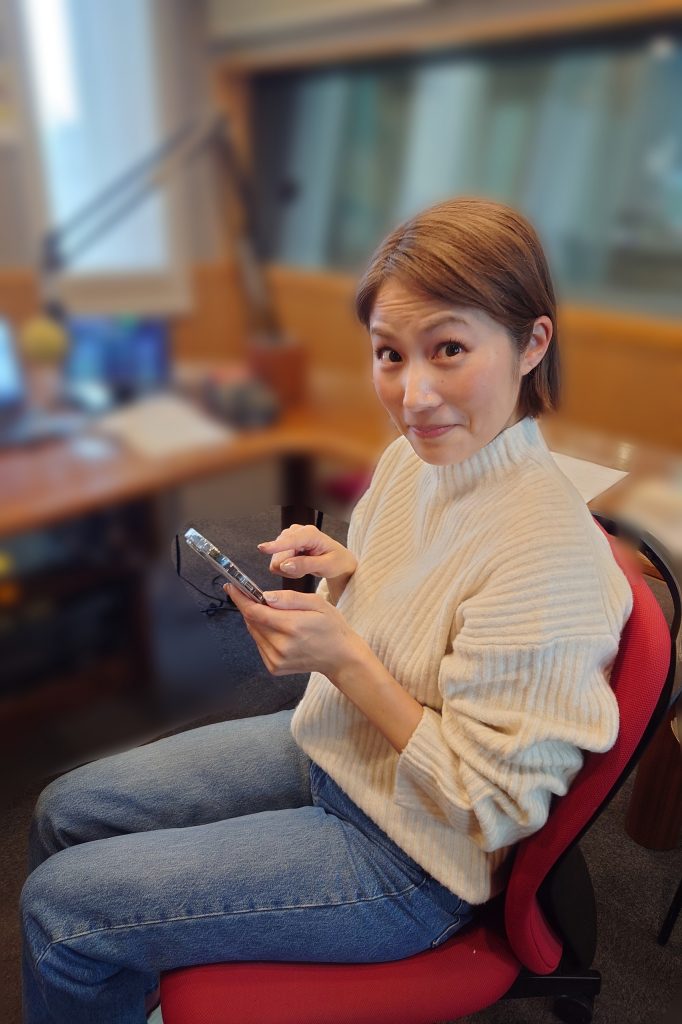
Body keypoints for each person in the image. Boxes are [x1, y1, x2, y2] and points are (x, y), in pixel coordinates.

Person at [21, 197, 632, 1023]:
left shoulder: (549, 557)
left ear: (532, 344)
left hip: (409, 857)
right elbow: (434, 613)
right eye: (390, 354)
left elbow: (491, 805)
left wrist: (342, 657)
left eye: (450, 348)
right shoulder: (418, 462)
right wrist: (351, 571)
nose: (414, 395)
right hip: (335, 745)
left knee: (61, 911)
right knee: (64, 811)